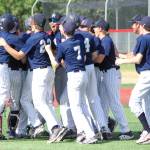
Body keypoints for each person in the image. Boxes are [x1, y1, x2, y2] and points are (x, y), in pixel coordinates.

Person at [0, 13, 68, 143]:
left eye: (32, 21)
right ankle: (49, 125)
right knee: (35, 100)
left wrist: (5, 45)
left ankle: (54, 127)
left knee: (37, 102)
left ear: (35, 24)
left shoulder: (33, 38)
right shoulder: (46, 36)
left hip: (39, 72)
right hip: (47, 70)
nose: (30, 22)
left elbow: (20, 56)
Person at [45, 17, 97, 144]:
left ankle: (89, 134)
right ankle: (90, 132)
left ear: (64, 30)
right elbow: (83, 58)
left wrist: (49, 52)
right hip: (83, 73)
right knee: (82, 106)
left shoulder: (62, 45)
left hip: (74, 76)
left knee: (76, 108)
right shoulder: (79, 41)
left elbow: (55, 64)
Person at [93, 19, 134, 140]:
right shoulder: (103, 40)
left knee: (114, 102)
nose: (94, 29)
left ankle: (126, 130)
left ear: (100, 28)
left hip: (111, 72)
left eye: (95, 27)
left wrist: (86, 60)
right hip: (105, 73)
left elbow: (100, 59)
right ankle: (104, 128)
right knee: (103, 103)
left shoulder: (106, 40)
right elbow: (115, 53)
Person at [116, 16, 150, 144]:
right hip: (147, 74)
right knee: (147, 104)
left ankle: (147, 130)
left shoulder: (143, 38)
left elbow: (137, 59)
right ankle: (148, 130)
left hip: (147, 75)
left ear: (142, 25)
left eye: (138, 24)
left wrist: (121, 61)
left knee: (133, 102)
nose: (135, 26)